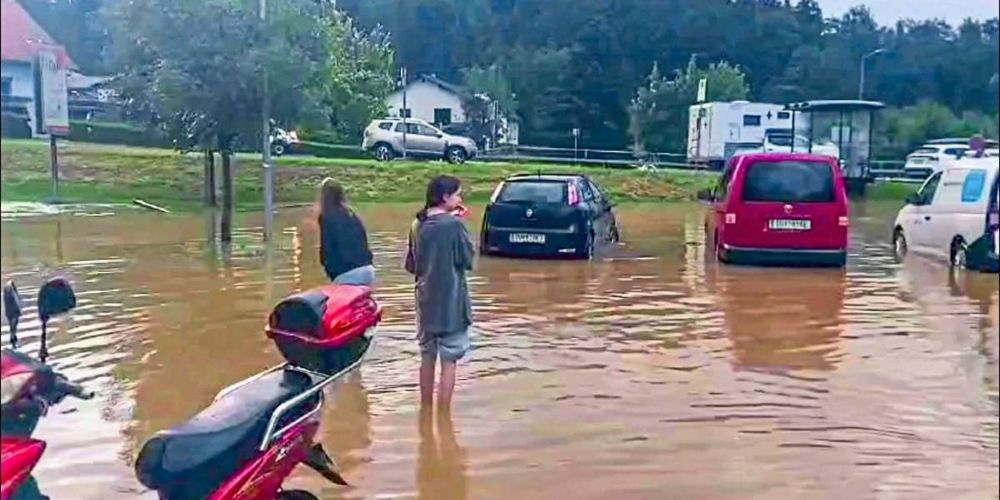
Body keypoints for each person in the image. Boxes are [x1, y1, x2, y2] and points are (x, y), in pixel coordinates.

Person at [405, 175, 475, 409]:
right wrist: (457, 224)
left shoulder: (417, 223)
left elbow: (412, 265)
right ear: (445, 197)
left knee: (427, 357)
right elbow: (466, 260)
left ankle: (426, 410)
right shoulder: (454, 226)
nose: (460, 198)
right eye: (457, 194)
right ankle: (443, 416)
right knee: (449, 361)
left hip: (425, 302)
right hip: (450, 304)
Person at [317, 178, 375, 285]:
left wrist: (331, 272)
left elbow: (326, 249)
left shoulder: (326, 216)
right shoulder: (352, 214)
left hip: (346, 273)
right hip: (368, 270)